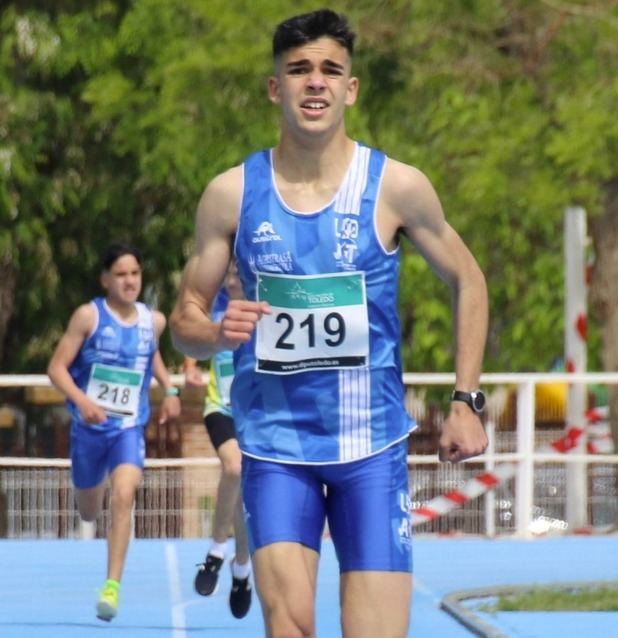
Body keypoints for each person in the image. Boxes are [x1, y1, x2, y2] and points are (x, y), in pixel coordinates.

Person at [170, 9, 488, 638]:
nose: (314, 82)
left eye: (329, 70)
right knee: (289, 627)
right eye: (298, 69)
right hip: (275, 447)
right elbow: (182, 322)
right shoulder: (231, 195)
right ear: (274, 87)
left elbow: (468, 280)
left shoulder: (396, 186)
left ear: (351, 88)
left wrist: (465, 398)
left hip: (370, 449)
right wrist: (213, 332)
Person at [47, 242, 181, 622]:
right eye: (121, 274)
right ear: (106, 279)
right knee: (89, 510)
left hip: (128, 427)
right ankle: (90, 491)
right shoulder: (87, 317)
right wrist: (82, 401)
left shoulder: (152, 321)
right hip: (89, 430)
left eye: (135, 273)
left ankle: (112, 586)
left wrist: (169, 389)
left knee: (124, 495)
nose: (129, 281)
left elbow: (149, 353)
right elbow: (56, 368)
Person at [183, 263, 252, 619]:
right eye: (230, 270)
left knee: (242, 498)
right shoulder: (215, 305)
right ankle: (214, 553)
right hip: (219, 408)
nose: (233, 276)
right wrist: (190, 366)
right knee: (234, 466)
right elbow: (192, 336)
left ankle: (241, 572)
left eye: (240, 270)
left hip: (254, 415)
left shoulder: (265, 306)